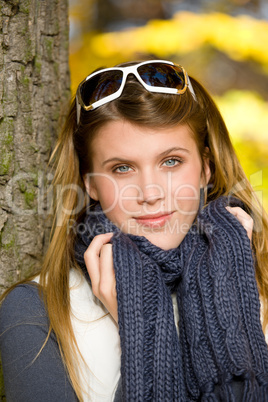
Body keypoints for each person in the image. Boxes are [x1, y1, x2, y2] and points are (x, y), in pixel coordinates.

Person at [1, 58, 268, 402]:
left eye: (171, 161)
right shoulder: (37, 310)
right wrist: (140, 327)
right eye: (122, 168)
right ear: (91, 184)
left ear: (205, 168)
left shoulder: (261, 279)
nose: (150, 193)